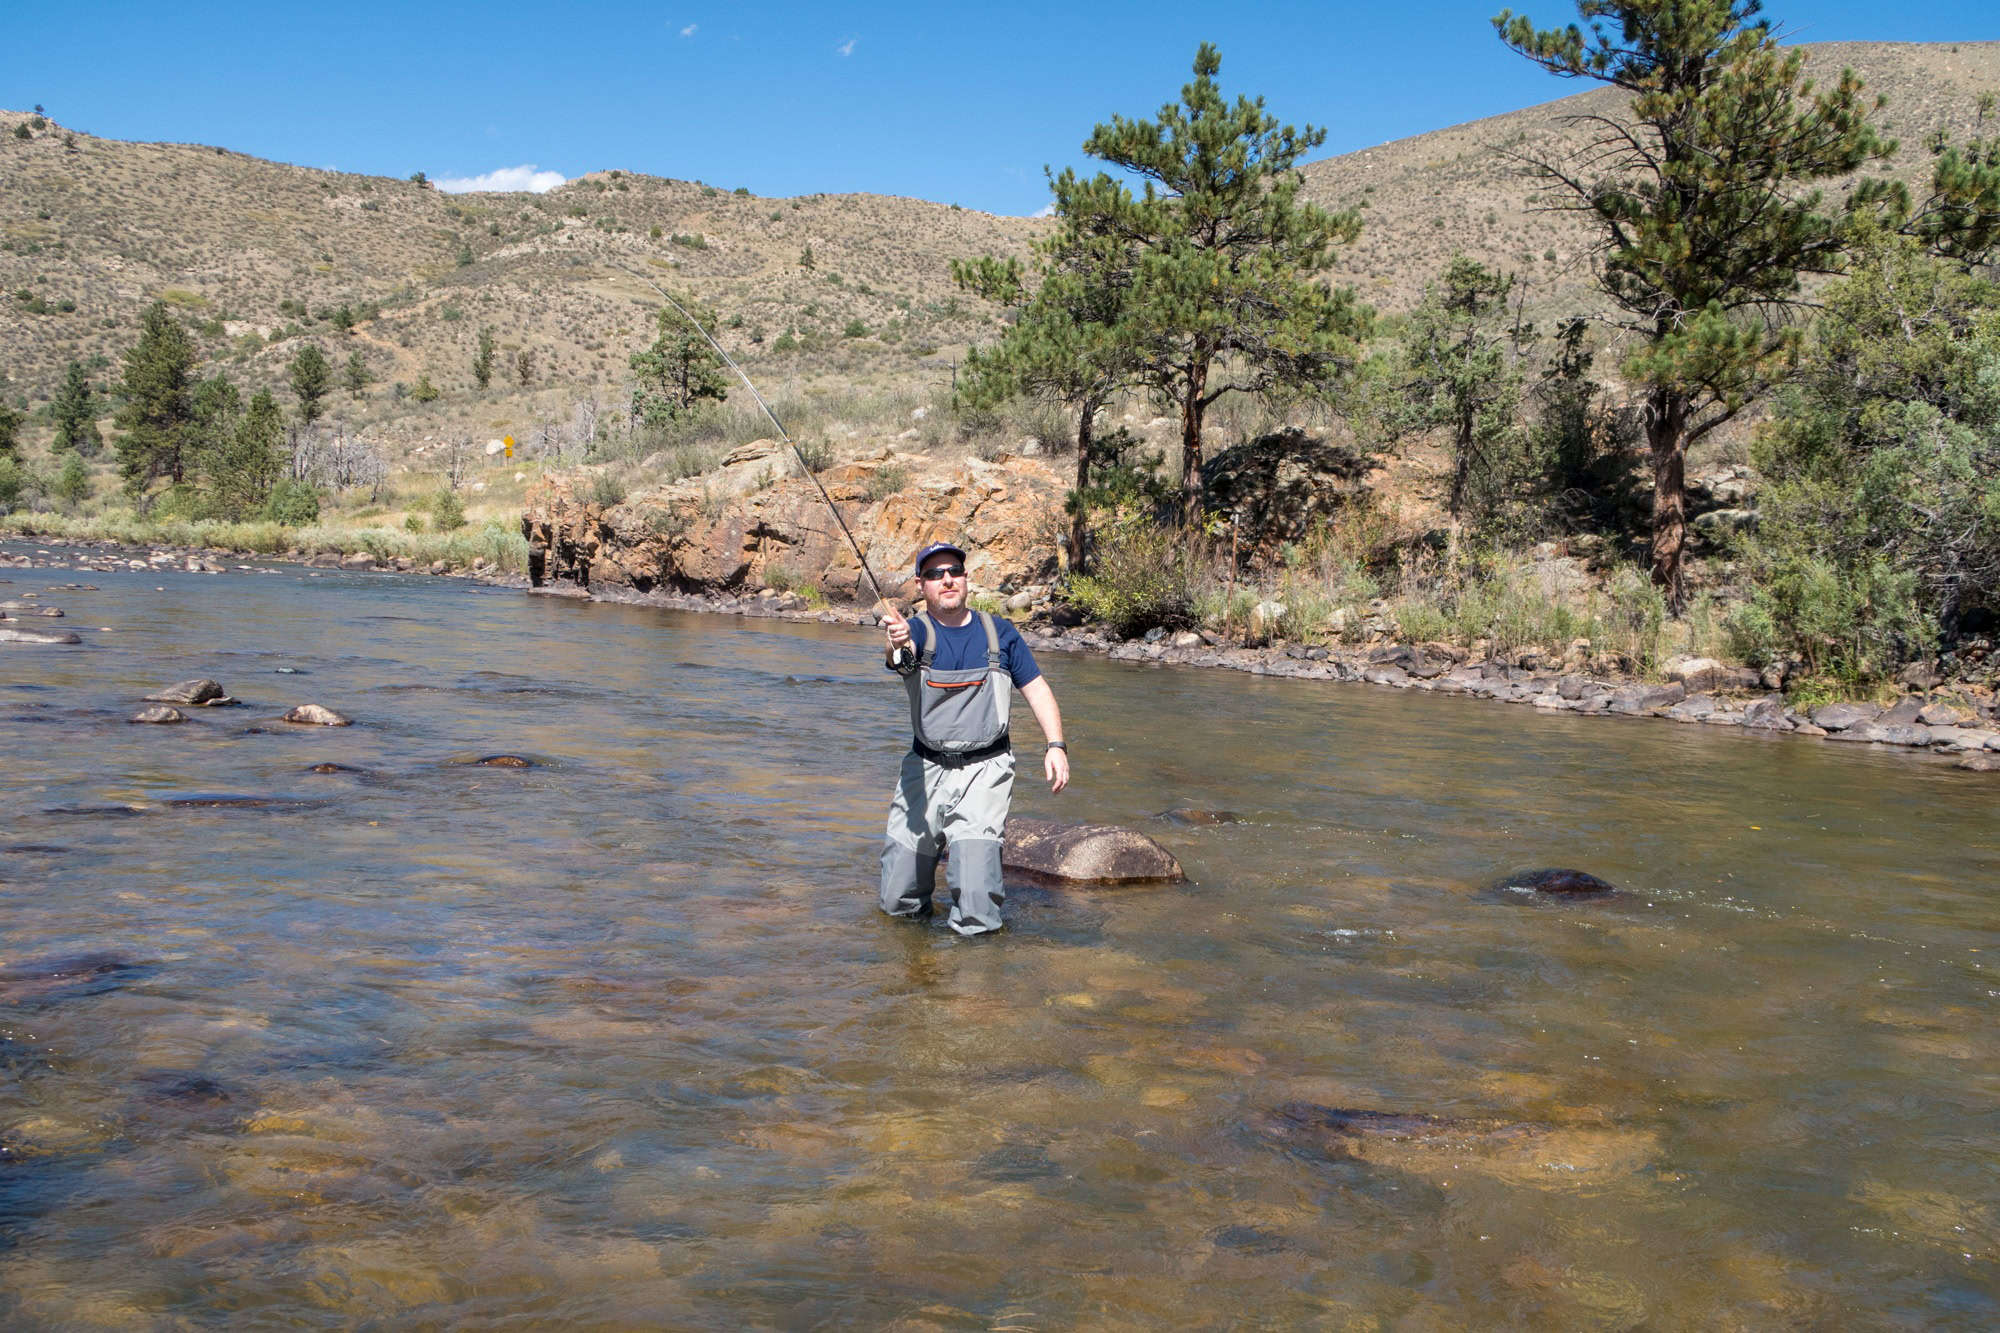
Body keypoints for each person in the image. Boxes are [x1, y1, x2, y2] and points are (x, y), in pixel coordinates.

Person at [878, 541, 1068, 936]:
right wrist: (895, 642)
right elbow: (902, 659)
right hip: (924, 772)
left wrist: (1055, 745)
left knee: (978, 907)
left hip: (986, 771)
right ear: (921, 584)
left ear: (966, 579)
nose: (946, 579)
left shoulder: (1000, 633)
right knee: (897, 903)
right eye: (934, 574)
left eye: (954, 572)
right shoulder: (912, 631)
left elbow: (1036, 689)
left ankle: (977, 991)